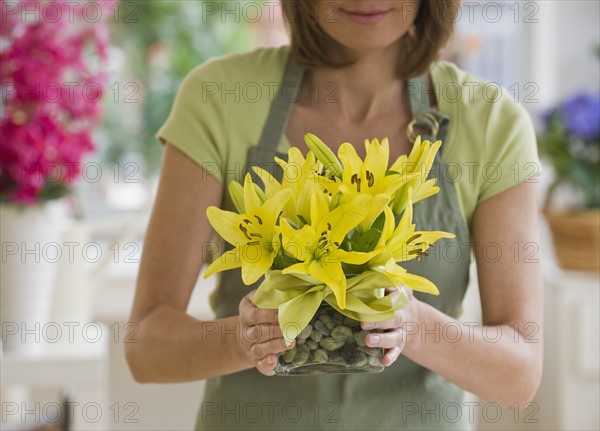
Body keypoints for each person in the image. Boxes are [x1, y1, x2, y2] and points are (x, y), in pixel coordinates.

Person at [126, 1, 543, 429]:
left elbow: (520, 376)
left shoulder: (491, 122)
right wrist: (244, 337)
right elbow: (146, 348)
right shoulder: (219, 97)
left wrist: (413, 325)